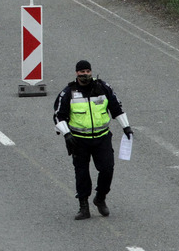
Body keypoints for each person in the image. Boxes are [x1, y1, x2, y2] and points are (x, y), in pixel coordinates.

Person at [53, 60, 133, 220]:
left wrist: (126, 126)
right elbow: (58, 116)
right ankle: (83, 207)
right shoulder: (68, 92)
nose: (85, 74)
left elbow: (117, 108)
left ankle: (100, 198)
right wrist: (67, 134)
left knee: (107, 169)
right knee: (82, 174)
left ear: (91, 71)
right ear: (76, 73)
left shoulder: (103, 88)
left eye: (87, 71)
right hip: (78, 140)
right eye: (81, 72)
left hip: (102, 137)